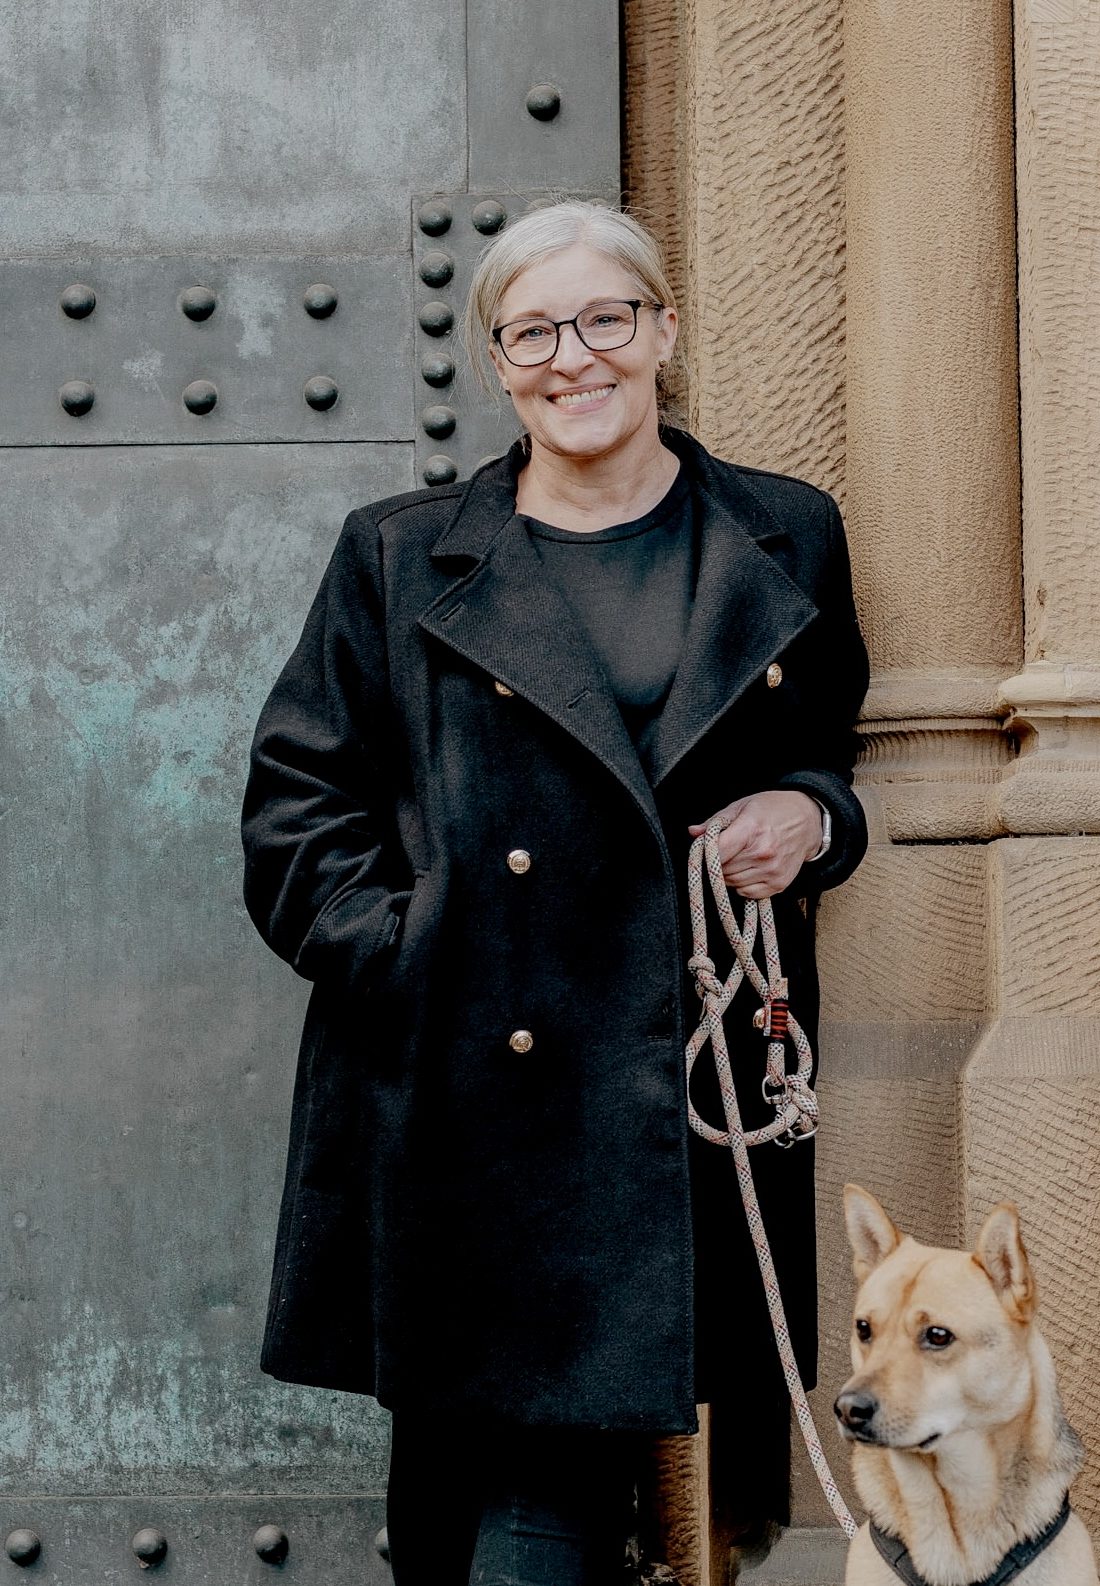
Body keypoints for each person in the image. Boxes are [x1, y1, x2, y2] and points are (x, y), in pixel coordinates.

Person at [241, 201, 868, 1586]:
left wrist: (811, 818)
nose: (572, 356)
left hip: (673, 1091)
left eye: (605, 318)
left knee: (545, 1497)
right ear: (496, 359)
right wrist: (415, 955)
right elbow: (295, 812)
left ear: (662, 332)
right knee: (469, 1496)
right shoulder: (399, 555)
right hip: (466, 1091)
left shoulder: (783, 535)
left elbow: (826, 752)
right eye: (532, 330)